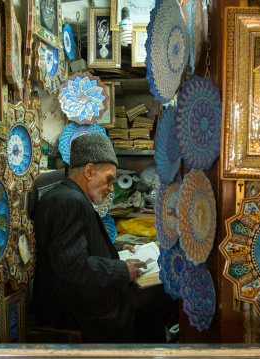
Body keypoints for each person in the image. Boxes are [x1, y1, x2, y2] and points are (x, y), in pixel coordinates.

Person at [32, 133, 175, 343]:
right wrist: (121, 270)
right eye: (109, 179)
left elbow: (74, 249)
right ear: (89, 171)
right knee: (166, 291)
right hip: (74, 307)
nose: (111, 188)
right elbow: (71, 266)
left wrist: (116, 249)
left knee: (156, 296)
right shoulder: (70, 202)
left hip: (73, 295)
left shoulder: (65, 195)